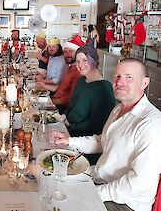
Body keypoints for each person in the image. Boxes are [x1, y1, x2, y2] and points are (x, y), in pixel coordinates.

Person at [53, 58, 161, 211]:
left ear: (144, 83)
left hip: (125, 202)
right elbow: (102, 141)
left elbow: (139, 185)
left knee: (61, 204)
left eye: (129, 77)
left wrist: (94, 192)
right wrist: (69, 141)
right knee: (53, 179)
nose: (120, 82)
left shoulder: (151, 123)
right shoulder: (118, 109)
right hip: (100, 179)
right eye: (117, 76)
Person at [62, 46, 116, 137]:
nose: (80, 64)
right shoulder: (82, 81)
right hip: (67, 128)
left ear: (94, 61)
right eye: (78, 61)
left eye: (84, 60)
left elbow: (96, 125)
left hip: (82, 138)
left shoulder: (104, 88)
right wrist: (61, 117)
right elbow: (71, 106)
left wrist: (69, 128)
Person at [37, 35, 84, 112]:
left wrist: (49, 102)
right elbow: (60, 87)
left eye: (71, 51)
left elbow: (69, 99)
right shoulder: (71, 68)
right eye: (65, 51)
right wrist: (44, 85)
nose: (67, 54)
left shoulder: (78, 73)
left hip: (62, 108)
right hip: (55, 98)